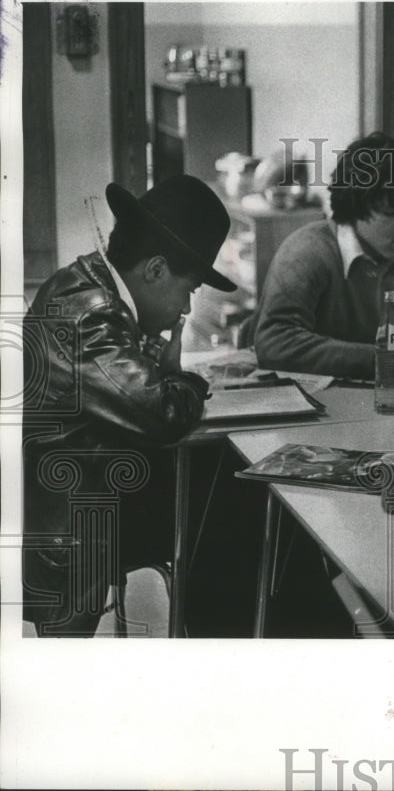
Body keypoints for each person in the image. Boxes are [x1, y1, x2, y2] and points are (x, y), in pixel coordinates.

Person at [22, 175, 237, 636]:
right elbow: (162, 414)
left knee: (221, 494)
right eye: (190, 289)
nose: (184, 310)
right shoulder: (91, 312)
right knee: (227, 507)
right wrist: (182, 377)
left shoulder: (86, 286)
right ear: (156, 270)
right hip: (69, 532)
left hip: (86, 502)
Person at [250, 132, 394, 380]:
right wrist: (392, 357)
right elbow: (275, 344)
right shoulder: (307, 252)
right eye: (390, 213)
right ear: (354, 208)